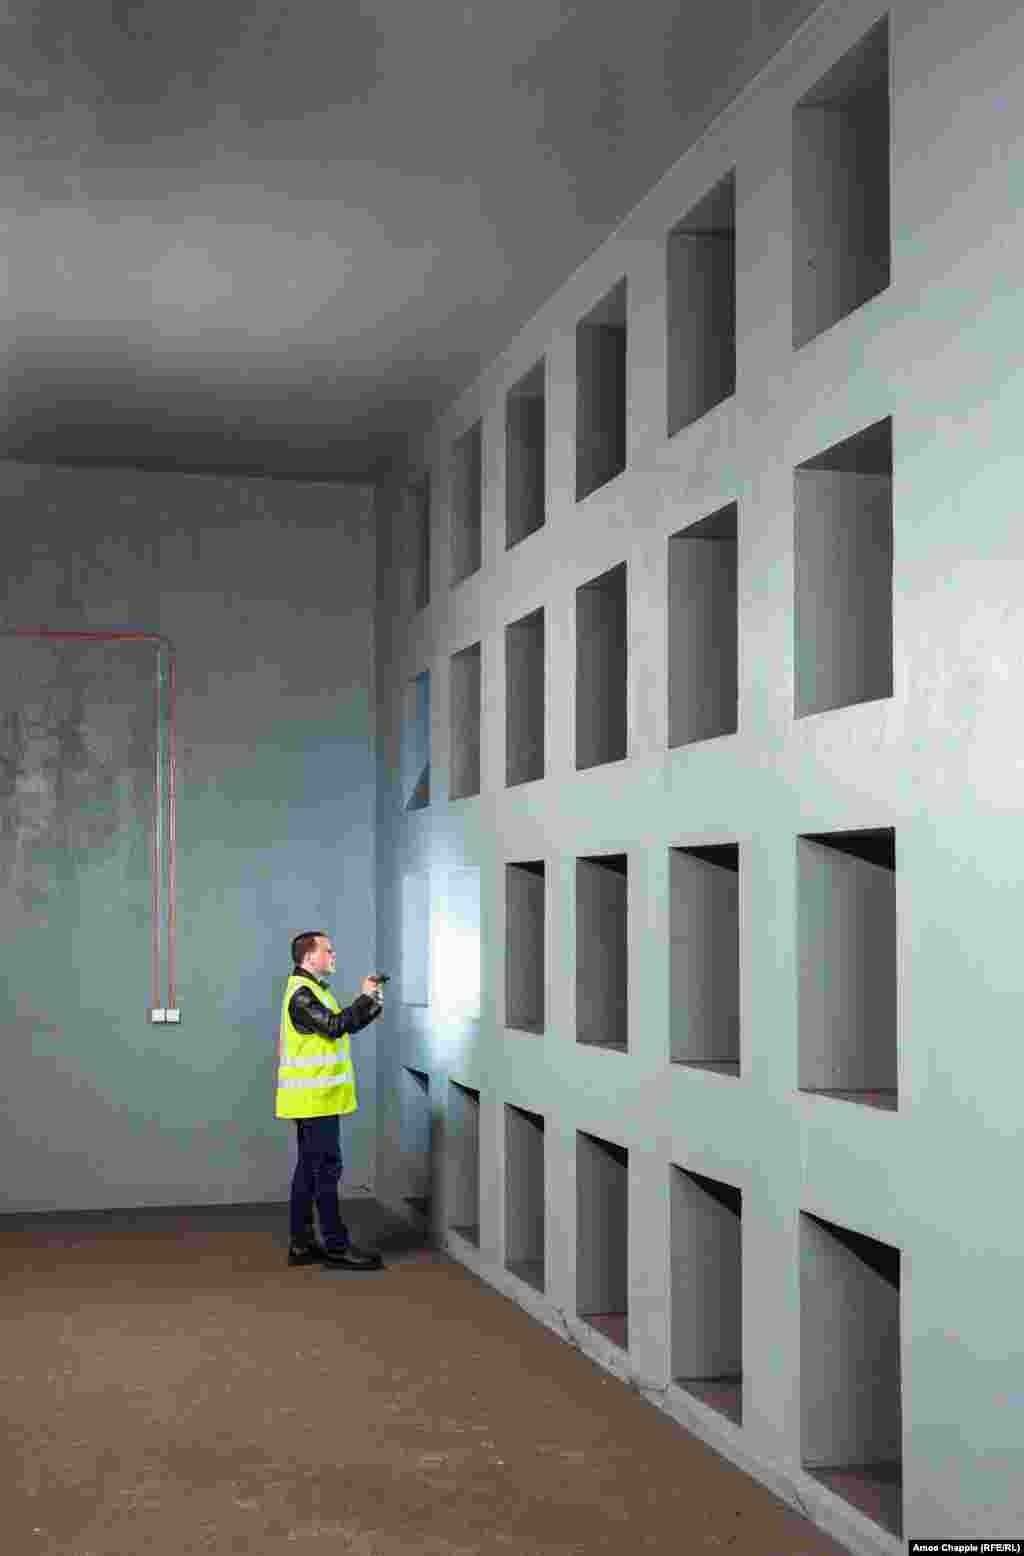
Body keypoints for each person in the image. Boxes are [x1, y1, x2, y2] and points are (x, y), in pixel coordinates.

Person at [276, 930, 386, 1270]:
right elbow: (336, 1025)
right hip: (314, 1099)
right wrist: (364, 999)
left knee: (310, 1171)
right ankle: (336, 1247)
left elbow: (341, 1026)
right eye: (329, 950)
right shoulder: (302, 995)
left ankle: (302, 1244)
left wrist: (372, 1004)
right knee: (324, 1171)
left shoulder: (313, 992)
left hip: (316, 1098)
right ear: (310, 957)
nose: (333, 955)